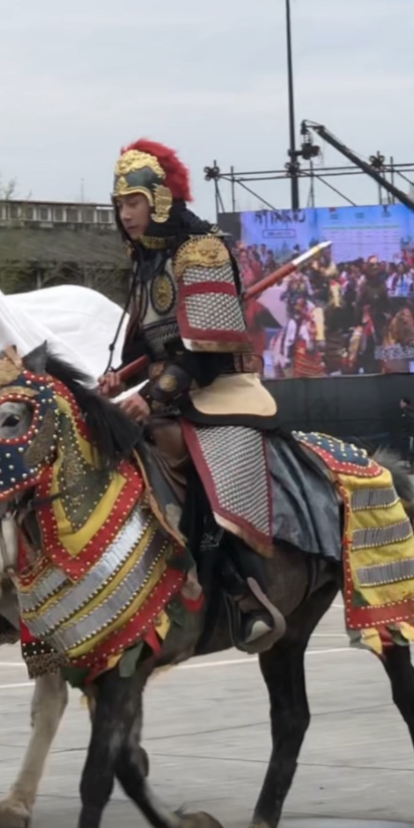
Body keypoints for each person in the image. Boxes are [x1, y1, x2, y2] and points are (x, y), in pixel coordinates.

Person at [96, 139, 285, 653]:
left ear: (159, 200)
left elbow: (206, 354)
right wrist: (119, 376)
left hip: (221, 388)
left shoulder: (200, 252)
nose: (125, 214)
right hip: (171, 387)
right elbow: (147, 340)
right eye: (119, 204)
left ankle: (241, 588)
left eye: (132, 202)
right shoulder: (147, 262)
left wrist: (152, 398)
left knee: (197, 458)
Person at [397, 397, 414, 473]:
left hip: (410, 434)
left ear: (405, 403)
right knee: (407, 450)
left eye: (401, 402)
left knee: (411, 450)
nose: (400, 404)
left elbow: (412, 422)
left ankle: (411, 467)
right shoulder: (404, 411)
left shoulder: (409, 411)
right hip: (406, 433)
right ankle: (410, 466)